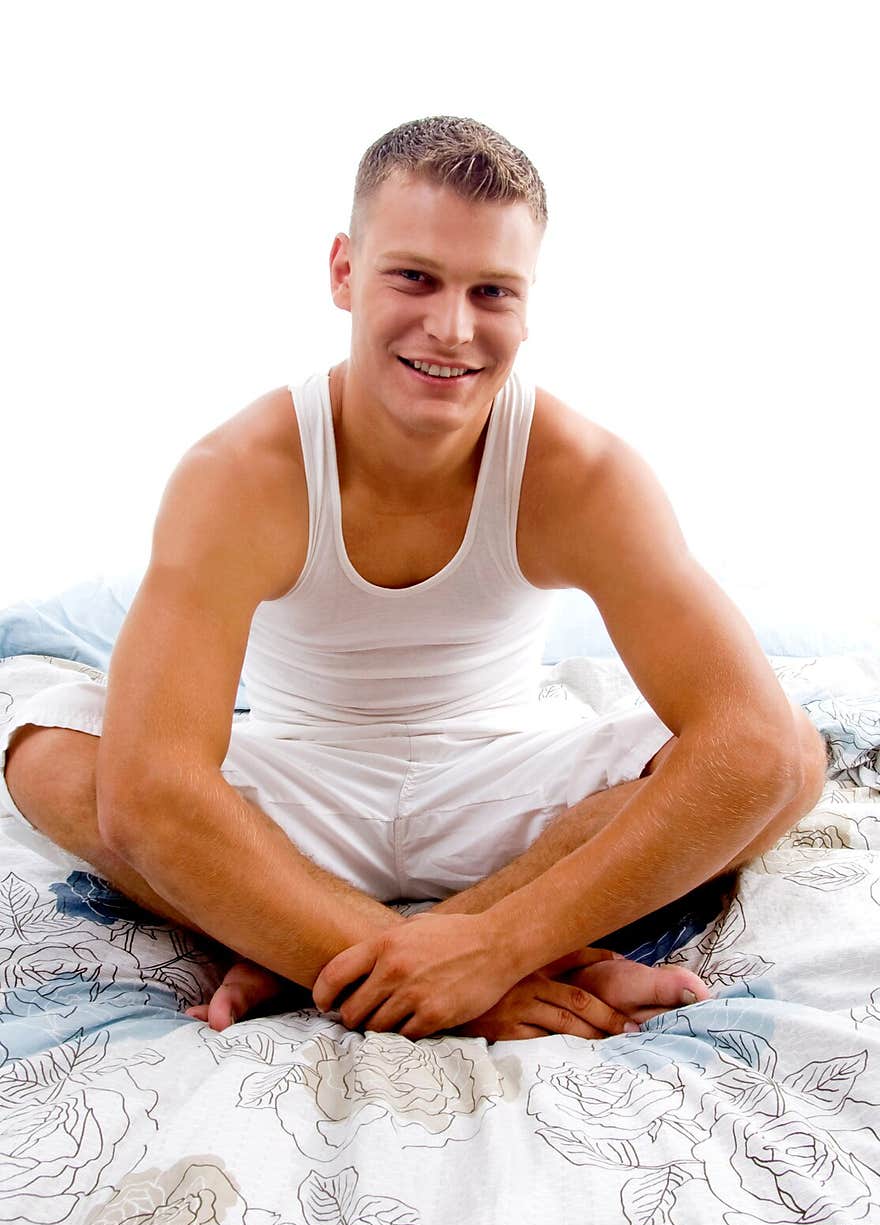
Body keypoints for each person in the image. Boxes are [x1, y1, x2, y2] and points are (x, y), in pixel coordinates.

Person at [1, 116, 827, 1042]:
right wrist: (487, 988)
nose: (451, 327)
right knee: (46, 750)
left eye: (492, 291)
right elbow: (155, 792)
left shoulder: (583, 474)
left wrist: (497, 942)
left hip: (503, 795)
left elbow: (750, 746)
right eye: (415, 277)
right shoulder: (239, 473)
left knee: (786, 756)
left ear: (528, 302)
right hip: (293, 791)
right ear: (345, 272)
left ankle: (311, 946)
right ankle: (376, 952)